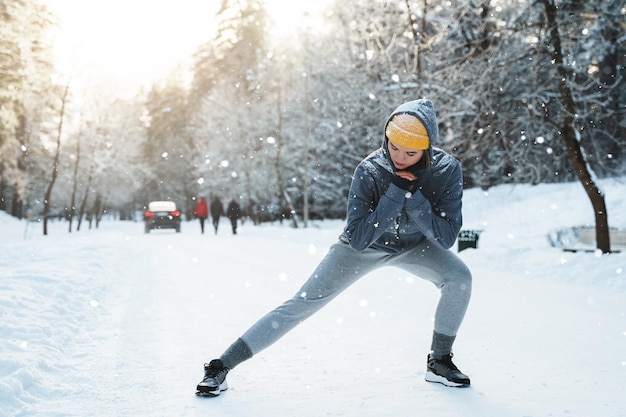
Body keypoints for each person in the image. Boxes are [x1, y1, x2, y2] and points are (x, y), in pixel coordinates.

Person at [196, 99, 472, 396]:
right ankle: (220, 366)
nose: (399, 158)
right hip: (363, 245)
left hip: (415, 245)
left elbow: (445, 237)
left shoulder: (446, 170)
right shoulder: (370, 170)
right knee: (301, 304)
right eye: (394, 148)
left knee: (460, 279)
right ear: (386, 138)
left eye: (410, 152)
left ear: (427, 149)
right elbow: (358, 236)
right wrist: (395, 193)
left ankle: (440, 361)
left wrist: (413, 199)